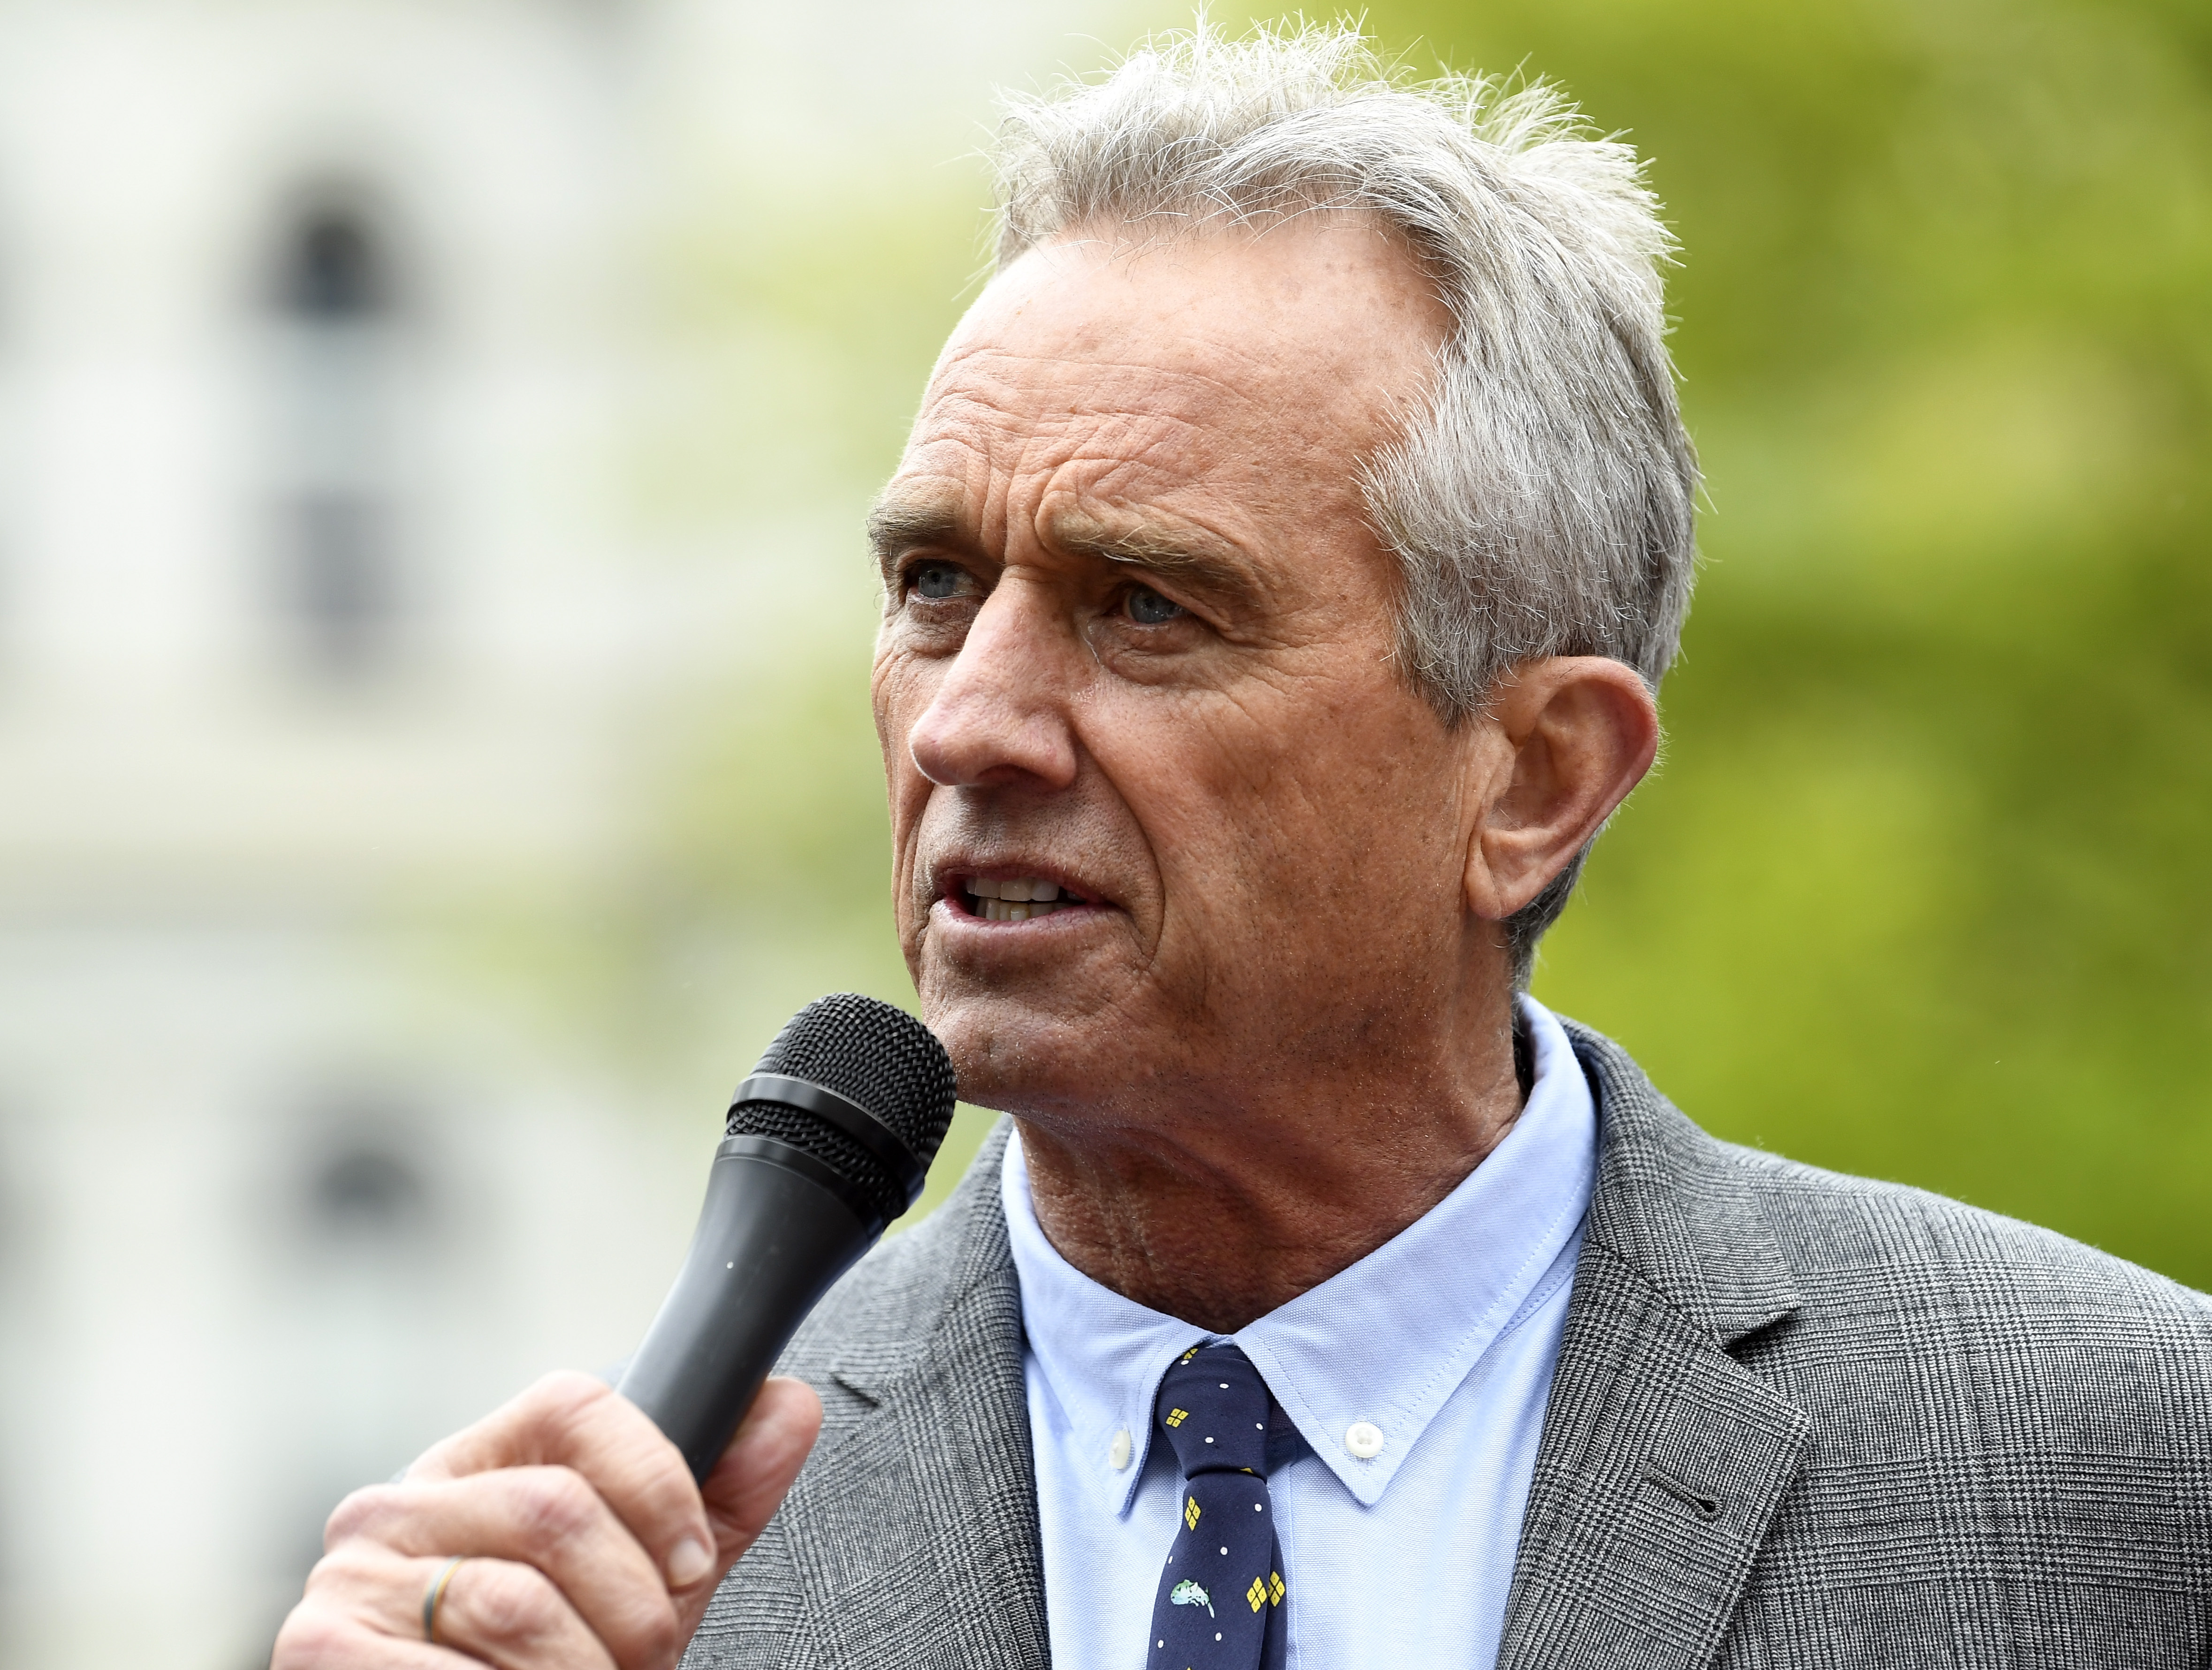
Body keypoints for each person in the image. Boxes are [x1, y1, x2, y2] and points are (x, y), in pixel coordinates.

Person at [273, 23, 2212, 1670]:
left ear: (1535, 773)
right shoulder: (623, 1586)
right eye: (937, 583)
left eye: (1147, 609)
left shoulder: (2106, 1470)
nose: (968, 719)